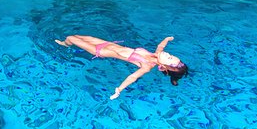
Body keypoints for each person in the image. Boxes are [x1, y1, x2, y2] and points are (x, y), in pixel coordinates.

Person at [54, 35, 188, 99]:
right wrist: (167, 39)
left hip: (99, 51)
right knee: (77, 36)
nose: (168, 54)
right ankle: (66, 43)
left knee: (71, 38)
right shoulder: (157, 54)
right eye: (171, 55)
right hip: (106, 43)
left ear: (164, 67)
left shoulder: (147, 66)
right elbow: (161, 46)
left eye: (169, 57)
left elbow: (133, 76)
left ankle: (65, 44)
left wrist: (119, 89)